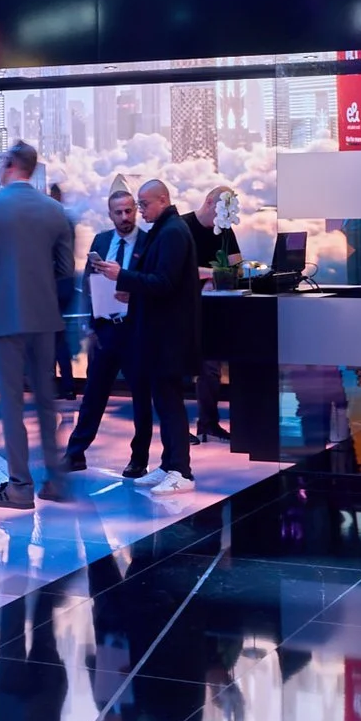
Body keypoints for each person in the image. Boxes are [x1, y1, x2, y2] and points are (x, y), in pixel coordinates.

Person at [0, 141, 75, 509]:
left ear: (11, 165)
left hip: (7, 317)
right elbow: (64, 270)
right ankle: (56, 483)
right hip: (45, 317)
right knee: (46, 402)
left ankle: (19, 487)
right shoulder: (55, 211)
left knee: (12, 404)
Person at [95, 178, 200, 493]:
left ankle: (181, 471)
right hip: (159, 334)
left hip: (168, 335)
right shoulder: (166, 231)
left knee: (170, 403)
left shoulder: (172, 233)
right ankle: (169, 465)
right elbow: (155, 282)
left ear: (163, 200)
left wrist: (122, 276)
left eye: (143, 204)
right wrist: (133, 290)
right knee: (164, 401)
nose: (139, 211)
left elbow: (165, 283)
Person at [62, 188, 154, 475]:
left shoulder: (149, 243)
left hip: (136, 329)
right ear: (110, 213)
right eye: (119, 212)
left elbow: (155, 283)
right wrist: (89, 324)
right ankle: (76, 453)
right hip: (105, 329)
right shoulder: (102, 240)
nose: (125, 217)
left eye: (129, 210)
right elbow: (89, 284)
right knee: (93, 393)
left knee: (141, 396)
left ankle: (139, 459)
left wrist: (135, 293)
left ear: (136, 210)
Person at [184, 189, 243, 443]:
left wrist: (222, 274)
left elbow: (237, 266)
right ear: (209, 202)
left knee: (212, 368)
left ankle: (208, 423)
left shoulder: (225, 230)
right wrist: (215, 273)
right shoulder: (183, 227)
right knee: (179, 368)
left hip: (212, 308)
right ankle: (177, 428)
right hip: (182, 307)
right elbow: (180, 268)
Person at [47, 183, 78, 396]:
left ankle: (62, 386)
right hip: (65, 286)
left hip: (52, 286)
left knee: (53, 336)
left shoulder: (50, 224)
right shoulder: (67, 221)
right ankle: (65, 385)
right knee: (56, 335)